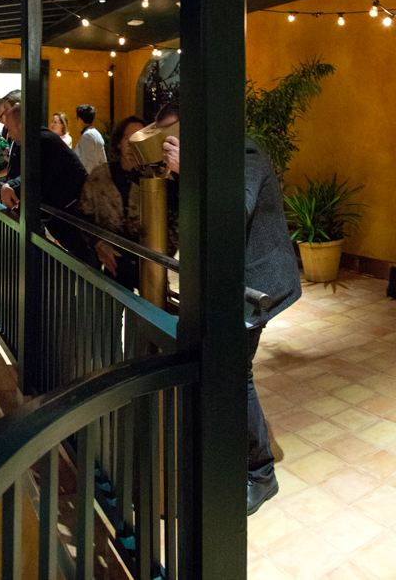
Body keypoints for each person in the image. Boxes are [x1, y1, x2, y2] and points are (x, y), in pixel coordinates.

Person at [157, 102, 301, 514]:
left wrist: (191, 170)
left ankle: (261, 473)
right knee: (223, 369)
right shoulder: (203, 159)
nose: (169, 143)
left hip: (257, 283)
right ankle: (232, 455)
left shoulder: (244, 150)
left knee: (237, 373)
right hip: (224, 282)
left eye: (174, 134)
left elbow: (232, 212)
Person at [0, 90, 91, 261]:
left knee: (87, 262)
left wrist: (12, 186)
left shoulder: (44, 141)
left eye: (10, 129)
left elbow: (36, 175)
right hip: (63, 214)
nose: (8, 135)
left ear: (21, 125)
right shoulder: (34, 141)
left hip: (76, 215)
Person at [79, 116, 169, 290]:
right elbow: (83, 214)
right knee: (107, 313)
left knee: (148, 315)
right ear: (119, 143)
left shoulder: (158, 178)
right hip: (110, 264)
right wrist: (98, 243)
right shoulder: (100, 175)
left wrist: (158, 257)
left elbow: (173, 221)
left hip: (150, 267)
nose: (133, 145)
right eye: (128, 139)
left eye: (140, 139)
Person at [75, 104, 106, 174]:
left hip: (89, 179)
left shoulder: (87, 136)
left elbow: (87, 164)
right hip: (96, 177)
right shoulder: (97, 134)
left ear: (79, 119)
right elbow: (103, 161)